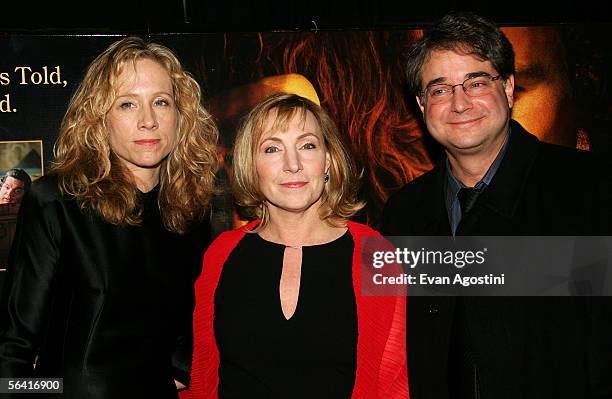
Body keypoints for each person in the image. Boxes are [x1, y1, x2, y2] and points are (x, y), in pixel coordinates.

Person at [382, 12, 612, 399]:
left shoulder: (591, 190)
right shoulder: (404, 213)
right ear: (421, 105)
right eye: (439, 89)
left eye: (476, 82)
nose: (459, 103)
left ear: (507, 88)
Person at [0, 37, 218, 398]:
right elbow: (14, 347)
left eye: (161, 102)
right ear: (100, 117)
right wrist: (53, 392)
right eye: (127, 103)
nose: (148, 120)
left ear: (182, 116)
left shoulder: (190, 208)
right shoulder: (56, 201)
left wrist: (176, 369)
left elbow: (190, 326)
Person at [182, 93, 408, 399]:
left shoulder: (376, 255)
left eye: (307, 145)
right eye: (273, 148)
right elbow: (204, 378)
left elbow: (393, 381)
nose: (293, 165)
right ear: (252, 164)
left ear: (327, 160)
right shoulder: (222, 254)